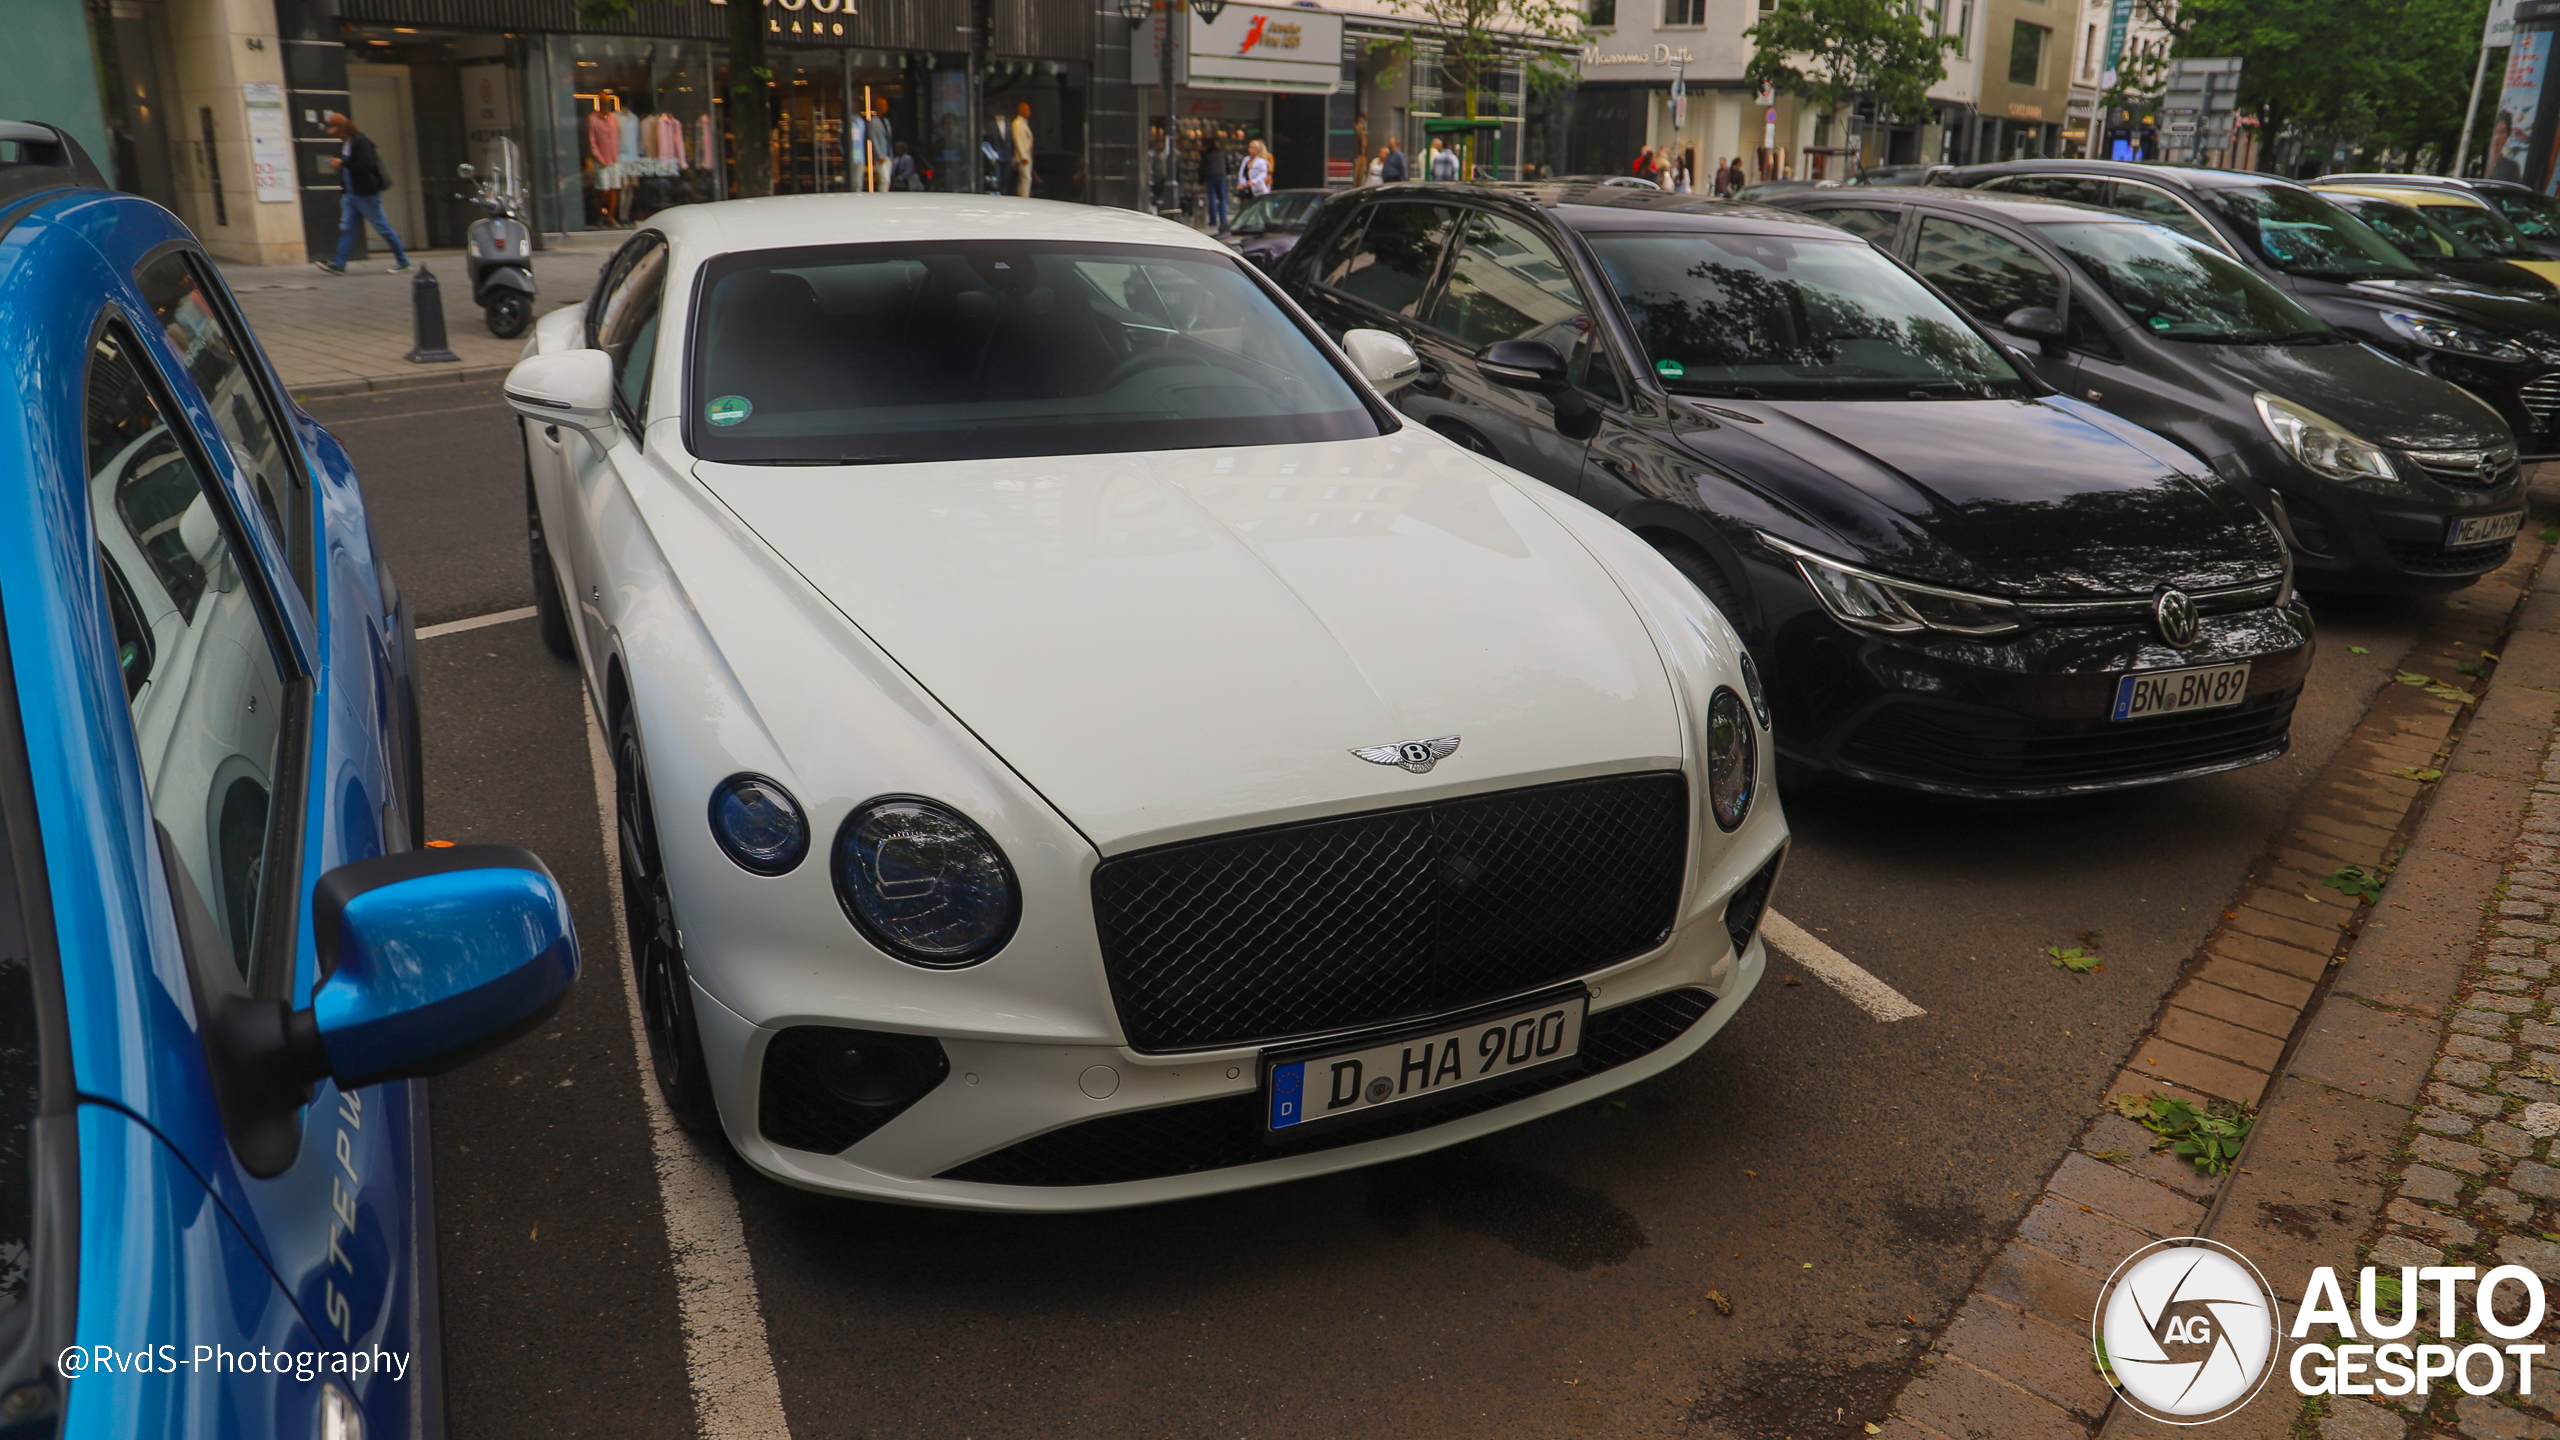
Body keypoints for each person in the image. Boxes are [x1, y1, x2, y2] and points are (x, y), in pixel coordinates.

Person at [314, 112, 409, 276]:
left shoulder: (360, 141)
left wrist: (343, 163)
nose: (332, 133)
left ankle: (403, 261)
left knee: (382, 228)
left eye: (333, 129)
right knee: (347, 228)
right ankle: (339, 264)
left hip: (365, 195)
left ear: (340, 129)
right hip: (351, 195)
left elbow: (367, 164)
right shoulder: (348, 142)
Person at [1200, 135, 1230, 231]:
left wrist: (1200, 180)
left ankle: (1213, 220)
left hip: (1210, 176)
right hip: (1221, 176)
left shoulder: (1206, 155)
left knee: (1212, 198)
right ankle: (1223, 220)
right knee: (1222, 198)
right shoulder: (1221, 153)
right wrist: (1226, 172)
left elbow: (1202, 168)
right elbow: (1228, 166)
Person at [1011, 102, 1035, 197]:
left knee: (1025, 179)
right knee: (1026, 178)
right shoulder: (1017, 123)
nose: (1028, 112)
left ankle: (1023, 195)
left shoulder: (1024, 123)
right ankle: (1023, 197)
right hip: (1023, 155)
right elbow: (1018, 141)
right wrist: (1022, 156)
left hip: (1027, 154)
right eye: (1026, 110)